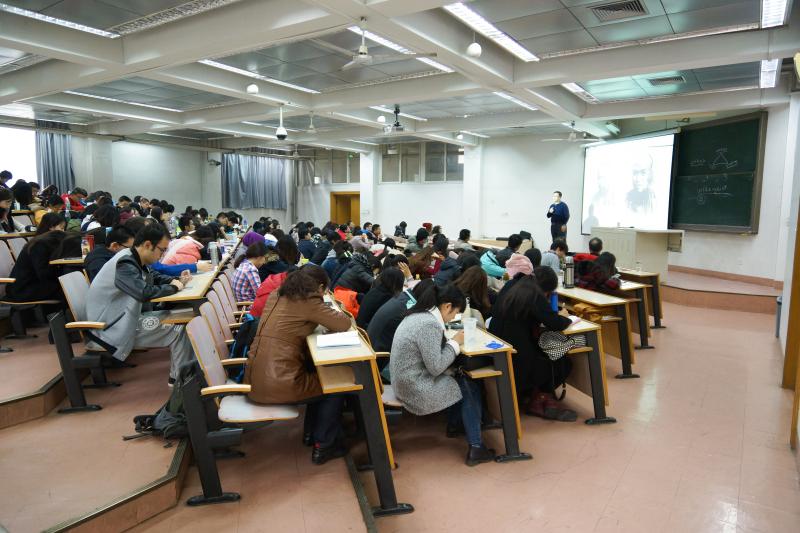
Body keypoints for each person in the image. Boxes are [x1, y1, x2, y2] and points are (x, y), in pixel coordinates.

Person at [245, 266, 353, 464]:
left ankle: (311, 435)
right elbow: (343, 323)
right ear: (320, 287)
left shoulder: (277, 294)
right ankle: (324, 446)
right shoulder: (308, 301)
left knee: (317, 376)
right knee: (336, 386)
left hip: (254, 377)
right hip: (277, 382)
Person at [390, 283, 495, 466]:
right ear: (447, 306)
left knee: (458, 377)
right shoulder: (429, 324)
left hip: (403, 382)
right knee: (468, 385)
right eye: (456, 312)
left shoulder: (418, 315)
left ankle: (456, 426)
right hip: (414, 389)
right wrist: (455, 343)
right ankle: (476, 447)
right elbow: (436, 367)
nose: (454, 317)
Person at [86, 224, 195, 385]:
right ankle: (180, 383)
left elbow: (153, 276)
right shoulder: (124, 263)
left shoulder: (133, 258)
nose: (162, 255)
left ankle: (182, 377)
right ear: (148, 245)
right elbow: (143, 292)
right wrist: (173, 287)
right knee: (179, 329)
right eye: (162, 250)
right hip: (110, 329)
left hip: (124, 319)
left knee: (183, 319)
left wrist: (176, 280)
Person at [489, 267, 577, 421]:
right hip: (517, 357)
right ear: (546, 290)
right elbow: (555, 323)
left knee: (543, 352)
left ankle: (535, 395)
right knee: (563, 362)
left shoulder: (513, 284)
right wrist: (566, 317)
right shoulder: (535, 295)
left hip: (498, 346)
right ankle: (539, 398)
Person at [5, 230, 71, 304]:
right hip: (23, 290)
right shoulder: (40, 246)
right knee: (68, 289)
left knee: (68, 287)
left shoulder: (44, 244)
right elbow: (44, 274)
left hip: (33, 284)